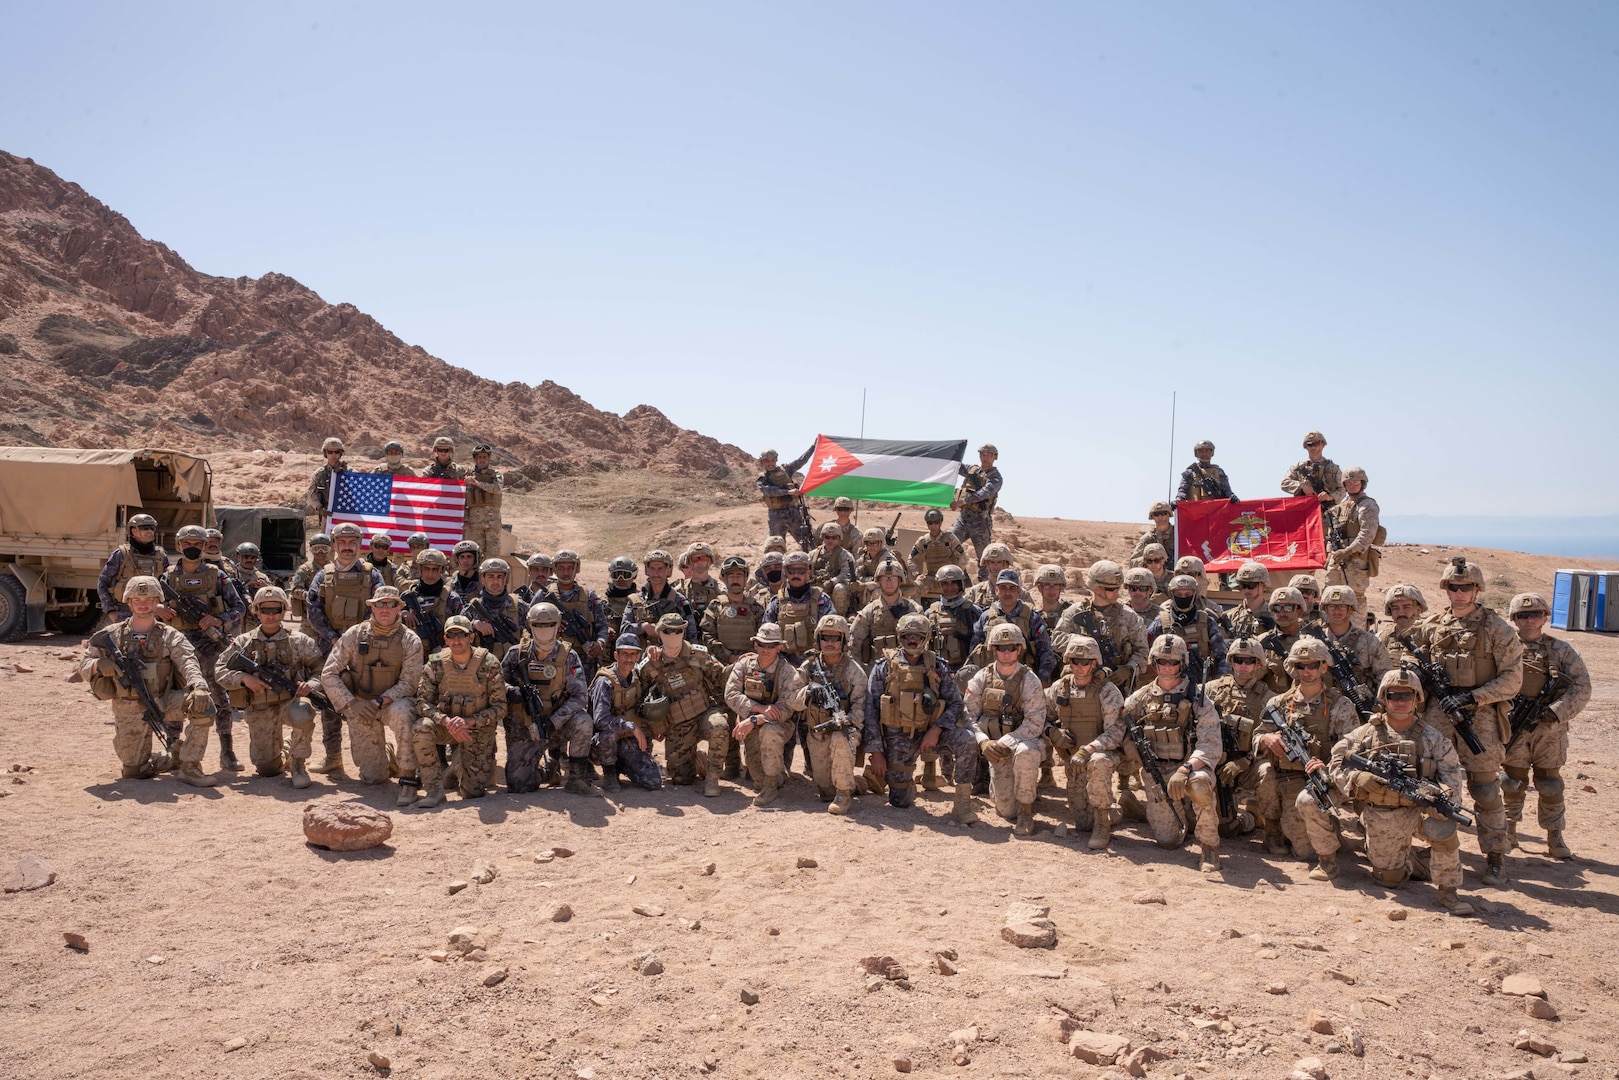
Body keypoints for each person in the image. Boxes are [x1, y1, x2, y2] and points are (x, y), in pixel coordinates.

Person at [1405, 557, 1523, 886]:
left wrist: (1473, 698)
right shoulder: (1431, 625)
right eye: (1453, 587)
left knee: (1485, 789)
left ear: (1477, 589)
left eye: (1466, 587)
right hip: (1438, 715)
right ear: (1446, 589)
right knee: (1429, 783)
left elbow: (1512, 679)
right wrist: (1419, 677)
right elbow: (1411, 658)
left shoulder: (1497, 628)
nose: (1459, 593)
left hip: (1480, 717)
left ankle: (1496, 856)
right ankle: (1437, 848)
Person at [1323, 670, 1474, 914]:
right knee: (1389, 879)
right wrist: (1356, 777)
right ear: (1384, 698)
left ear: (1417, 699)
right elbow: (1336, 763)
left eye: (1407, 695)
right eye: (1393, 695)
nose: (1400, 701)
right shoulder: (1365, 734)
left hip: (1420, 810)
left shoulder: (1432, 737)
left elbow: (1452, 776)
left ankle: (1448, 890)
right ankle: (1410, 858)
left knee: (1443, 825)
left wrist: (1443, 795)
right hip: (1384, 811)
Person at [80, 576, 216, 786]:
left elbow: (188, 662)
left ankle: (190, 767)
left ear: (157, 602)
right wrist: (99, 665)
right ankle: (171, 757)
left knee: (203, 705)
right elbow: (83, 665)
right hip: (128, 706)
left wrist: (198, 686)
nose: (142, 604)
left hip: (163, 700)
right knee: (134, 770)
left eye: (148, 600)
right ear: (129, 602)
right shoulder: (111, 635)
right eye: (137, 600)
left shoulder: (170, 635)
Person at [1109, 634, 1224, 874]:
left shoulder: (1198, 698)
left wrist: (1186, 769)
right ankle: (1179, 815)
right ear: (1153, 662)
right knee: (1168, 841)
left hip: (1189, 770)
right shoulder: (1141, 697)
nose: (1167, 667)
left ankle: (1209, 847)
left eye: (1173, 662)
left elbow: (1211, 745)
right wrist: (1130, 746)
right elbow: (1119, 727)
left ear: (1182, 663)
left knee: (1201, 785)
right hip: (1156, 772)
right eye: (1162, 661)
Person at [864, 613, 981, 823]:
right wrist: (876, 752)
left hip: (930, 735)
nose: (912, 640)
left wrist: (936, 731)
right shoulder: (884, 667)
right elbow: (871, 711)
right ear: (900, 637)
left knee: (967, 740)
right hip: (897, 739)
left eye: (917, 636)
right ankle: (890, 778)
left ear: (926, 638)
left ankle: (962, 804)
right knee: (900, 801)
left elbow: (955, 704)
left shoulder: (938, 666)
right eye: (907, 636)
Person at [1252, 638, 1359, 866]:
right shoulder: (1279, 702)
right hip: (1286, 776)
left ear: (1323, 666)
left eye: (1312, 665)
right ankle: (1272, 828)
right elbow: (1258, 735)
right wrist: (1266, 739)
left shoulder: (1341, 705)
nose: (1307, 671)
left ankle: (1327, 828)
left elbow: (1352, 751)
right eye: (1301, 665)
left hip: (1322, 779)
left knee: (1305, 853)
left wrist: (1326, 767)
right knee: (1264, 772)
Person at [1500, 592, 1592, 859]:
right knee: (1511, 782)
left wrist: (1556, 711)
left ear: (1545, 617)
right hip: (1515, 725)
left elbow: (1581, 686)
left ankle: (1555, 836)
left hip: (1550, 730)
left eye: (1535, 614)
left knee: (1550, 784)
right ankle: (1510, 831)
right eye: (1523, 615)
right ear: (1514, 619)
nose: (1529, 620)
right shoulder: (1504, 648)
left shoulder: (1561, 650)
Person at [214, 586, 325, 790]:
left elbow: (321, 669)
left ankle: (298, 764)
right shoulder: (244, 642)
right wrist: (243, 678)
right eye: (265, 610)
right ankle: (284, 751)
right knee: (267, 769)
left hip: (289, 702)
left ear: (284, 611)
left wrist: (311, 685)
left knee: (302, 710)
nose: (271, 615)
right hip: (259, 708)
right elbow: (219, 670)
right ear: (256, 611)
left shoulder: (298, 641)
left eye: (276, 610)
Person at [319, 585, 425, 798]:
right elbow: (328, 673)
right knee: (373, 778)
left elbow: (409, 683)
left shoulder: (410, 640)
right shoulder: (354, 635)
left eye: (391, 604)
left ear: (399, 608)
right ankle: (386, 755)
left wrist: (380, 701)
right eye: (380, 604)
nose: (385, 609)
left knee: (405, 712)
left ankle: (407, 775)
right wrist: (351, 703)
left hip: (391, 703)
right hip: (361, 706)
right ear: (372, 608)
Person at [160, 525, 246, 772]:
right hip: (177, 646)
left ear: (205, 545)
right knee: (176, 695)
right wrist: (158, 610)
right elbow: (148, 605)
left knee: (220, 697)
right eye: (187, 543)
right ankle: (173, 747)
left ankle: (227, 750)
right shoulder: (166, 578)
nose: (192, 547)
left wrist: (218, 620)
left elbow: (238, 607)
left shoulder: (217, 575)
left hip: (211, 646)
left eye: (197, 543)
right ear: (178, 546)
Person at [305, 522, 385, 775]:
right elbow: (313, 610)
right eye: (343, 542)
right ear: (335, 545)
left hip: (365, 648)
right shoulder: (323, 575)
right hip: (331, 648)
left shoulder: (372, 575)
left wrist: (354, 637)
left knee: (365, 700)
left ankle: (370, 759)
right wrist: (332, 637)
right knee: (331, 702)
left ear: (359, 544)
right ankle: (333, 757)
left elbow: (379, 608)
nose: (347, 547)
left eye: (352, 542)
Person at [502, 602, 598, 797]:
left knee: (583, 722)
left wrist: (553, 723)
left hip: (556, 726)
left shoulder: (568, 656)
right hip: (525, 728)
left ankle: (577, 779)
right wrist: (511, 691)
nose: (544, 630)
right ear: (530, 624)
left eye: (549, 624)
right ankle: (548, 772)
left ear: (558, 624)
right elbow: (495, 683)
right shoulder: (516, 654)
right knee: (518, 784)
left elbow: (580, 696)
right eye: (538, 625)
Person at [410, 614, 504, 807]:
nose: (456, 640)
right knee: (421, 728)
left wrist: (469, 722)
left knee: (472, 793)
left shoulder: (489, 663)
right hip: (447, 727)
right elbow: (422, 702)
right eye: (451, 635)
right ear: (445, 639)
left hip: (476, 729)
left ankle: (458, 767)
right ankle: (434, 790)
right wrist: (446, 721)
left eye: (461, 635)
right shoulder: (435, 664)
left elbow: (500, 708)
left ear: (471, 637)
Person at [966, 623, 1048, 836]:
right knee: (1005, 810)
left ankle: (1026, 811)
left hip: (1022, 743)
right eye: (1000, 647)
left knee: (1026, 753)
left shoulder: (1030, 680)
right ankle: (1016, 794)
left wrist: (1006, 742)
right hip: (995, 751)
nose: (1006, 652)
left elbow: (1035, 723)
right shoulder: (981, 678)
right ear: (993, 649)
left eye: (1011, 647)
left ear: (1019, 649)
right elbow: (967, 716)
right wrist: (983, 741)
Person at [637, 611, 731, 794]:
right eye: (667, 631)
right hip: (677, 724)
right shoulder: (650, 665)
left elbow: (722, 677)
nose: (673, 636)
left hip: (704, 713)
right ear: (658, 632)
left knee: (719, 726)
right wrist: (655, 726)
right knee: (681, 779)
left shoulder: (699, 655)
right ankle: (699, 760)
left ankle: (712, 779)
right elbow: (641, 699)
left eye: (678, 631)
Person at [1048, 636, 1126, 848]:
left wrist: (1090, 748)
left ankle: (1103, 823)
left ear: (1094, 663)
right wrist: (1053, 732)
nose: (1080, 666)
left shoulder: (1107, 691)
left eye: (1085, 662)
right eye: (1075, 661)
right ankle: (1121, 808)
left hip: (1103, 755)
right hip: (1073, 760)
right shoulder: (1059, 688)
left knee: (1098, 761)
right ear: (1068, 662)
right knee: (1082, 823)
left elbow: (1117, 732)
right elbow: (1039, 717)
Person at [726, 623, 808, 807]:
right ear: (755, 645)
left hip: (778, 725)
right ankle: (775, 776)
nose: (766, 649)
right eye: (762, 644)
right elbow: (730, 695)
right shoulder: (743, 665)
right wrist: (758, 709)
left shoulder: (787, 672)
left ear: (779, 647)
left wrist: (755, 719)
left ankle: (771, 785)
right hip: (751, 723)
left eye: (771, 645)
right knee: (756, 779)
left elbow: (785, 708)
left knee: (769, 732)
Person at [798, 614, 867, 813]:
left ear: (844, 641)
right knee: (825, 790)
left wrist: (847, 721)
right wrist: (808, 692)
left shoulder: (853, 670)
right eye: (825, 637)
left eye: (835, 638)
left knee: (841, 739)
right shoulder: (809, 666)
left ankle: (844, 793)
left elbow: (860, 705)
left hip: (844, 729)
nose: (829, 642)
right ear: (818, 639)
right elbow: (791, 696)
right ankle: (856, 783)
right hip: (817, 730)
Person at [1203, 636, 1271, 838]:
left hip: (1248, 765)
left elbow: (1270, 737)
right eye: (1238, 660)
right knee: (1224, 828)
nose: (1243, 665)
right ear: (1231, 661)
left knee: (1268, 772)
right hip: (1216, 762)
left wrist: (1245, 760)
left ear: (1258, 664)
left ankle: (1260, 819)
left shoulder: (1268, 698)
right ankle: (1240, 816)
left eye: (1249, 661)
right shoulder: (1210, 690)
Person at [1054, 561, 1150, 696]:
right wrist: (1085, 643)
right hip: (1080, 684)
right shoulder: (1075, 612)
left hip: (1116, 686)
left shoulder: (1128, 616)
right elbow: (1057, 640)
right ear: (1097, 588)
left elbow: (1142, 651)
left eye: (1118, 588)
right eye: (1111, 589)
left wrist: (1128, 669)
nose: (1117, 592)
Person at [589, 634, 663, 792]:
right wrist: (631, 727)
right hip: (600, 744)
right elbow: (600, 720)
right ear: (616, 655)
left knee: (654, 782)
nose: (628, 659)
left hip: (626, 742)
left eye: (633, 654)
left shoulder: (635, 678)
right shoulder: (605, 681)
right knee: (607, 734)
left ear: (638, 656)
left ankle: (622, 764)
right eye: (624, 654)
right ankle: (609, 772)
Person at [967, 569, 1056, 683]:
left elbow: (1046, 654)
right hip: (991, 683)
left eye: (1012, 588)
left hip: (1024, 682)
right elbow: (974, 652)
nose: (1007, 593)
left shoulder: (1032, 618)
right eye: (1003, 588)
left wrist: (1040, 682)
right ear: (997, 590)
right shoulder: (986, 617)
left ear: (1019, 591)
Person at [1146, 574, 1229, 680]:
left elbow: (1222, 656)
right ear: (1172, 595)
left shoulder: (1206, 622)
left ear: (1194, 594)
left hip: (1201, 684)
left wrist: (1220, 681)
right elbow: (1145, 651)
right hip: (1169, 684)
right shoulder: (1162, 622)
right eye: (1179, 594)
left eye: (1187, 594)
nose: (1183, 598)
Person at [1317, 584, 1392, 699]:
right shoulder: (1314, 640)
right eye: (1332, 606)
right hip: (1323, 704)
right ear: (1325, 609)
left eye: (1342, 606)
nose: (1337, 611)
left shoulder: (1369, 641)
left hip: (1359, 703)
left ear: (1351, 609)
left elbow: (1385, 676)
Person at [547, 550, 611, 678]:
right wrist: (551, 624)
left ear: (577, 568)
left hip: (584, 661)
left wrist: (600, 643)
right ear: (554, 569)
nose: (566, 573)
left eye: (570, 568)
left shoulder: (589, 595)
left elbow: (602, 625)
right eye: (561, 568)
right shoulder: (545, 595)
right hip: (552, 660)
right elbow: (529, 623)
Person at [762, 551, 834, 663]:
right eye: (791, 570)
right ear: (785, 572)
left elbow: (832, 634)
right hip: (783, 662)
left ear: (809, 572)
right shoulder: (777, 602)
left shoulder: (822, 600)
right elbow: (765, 636)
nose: (796, 575)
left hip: (816, 662)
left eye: (801, 570)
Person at [1326, 466, 1382, 607]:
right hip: (1337, 559)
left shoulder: (1367, 505)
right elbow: (1332, 533)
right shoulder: (1341, 506)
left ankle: (1358, 629)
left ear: (1362, 484)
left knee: (1355, 600)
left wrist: (1348, 551)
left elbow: (1367, 534)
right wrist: (1330, 554)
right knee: (1331, 597)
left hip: (1355, 561)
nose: (1352, 486)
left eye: (1355, 483)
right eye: (1349, 483)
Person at [850, 559, 922, 668]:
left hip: (908, 670)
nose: (889, 582)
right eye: (885, 579)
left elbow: (924, 643)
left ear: (900, 580)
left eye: (893, 578)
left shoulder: (914, 609)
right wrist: (862, 672)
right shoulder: (869, 612)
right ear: (879, 581)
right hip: (877, 670)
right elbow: (854, 644)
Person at [97, 513, 169, 621]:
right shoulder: (121, 554)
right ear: (133, 531)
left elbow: (169, 585)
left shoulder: (161, 556)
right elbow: (102, 583)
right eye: (145, 528)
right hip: (124, 612)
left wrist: (163, 607)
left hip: (154, 614)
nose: (149, 531)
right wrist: (111, 611)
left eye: (152, 528)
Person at [700, 556, 764, 665]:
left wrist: (746, 658)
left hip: (750, 664)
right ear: (724, 579)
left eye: (739, 575)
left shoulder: (756, 608)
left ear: (746, 578)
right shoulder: (716, 606)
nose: (735, 580)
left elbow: (762, 638)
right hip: (721, 666)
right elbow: (706, 636)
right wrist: (728, 657)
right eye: (731, 576)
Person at [624, 549, 697, 647]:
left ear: (669, 570)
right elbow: (624, 629)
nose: (656, 574)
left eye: (660, 569)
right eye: (652, 568)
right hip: (641, 659)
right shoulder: (635, 600)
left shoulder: (680, 601)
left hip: (673, 658)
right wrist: (643, 627)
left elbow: (691, 634)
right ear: (647, 570)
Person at [950, 443, 1002, 578]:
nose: (985, 458)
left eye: (988, 455)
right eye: (982, 454)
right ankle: (961, 577)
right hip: (963, 519)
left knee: (984, 559)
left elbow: (984, 493)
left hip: (981, 522)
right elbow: (955, 466)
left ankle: (984, 589)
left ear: (995, 457)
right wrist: (952, 452)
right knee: (947, 545)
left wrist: (962, 502)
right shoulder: (972, 470)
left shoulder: (995, 478)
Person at [399, 549, 462, 655]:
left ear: (441, 570)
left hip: (444, 653)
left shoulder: (451, 598)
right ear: (420, 569)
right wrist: (402, 614)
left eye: (434, 569)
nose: (430, 574)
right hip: (410, 655)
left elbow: (462, 628)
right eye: (426, 569)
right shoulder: (408, 597)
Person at [464, 558, 528, 661]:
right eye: (490, 576)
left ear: (505, 579)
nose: (495, 581)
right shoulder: (474, 607)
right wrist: (474, 624)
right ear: (483, 579)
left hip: (513, 665)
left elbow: (534, 629)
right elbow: (455, 629)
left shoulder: (519, 606)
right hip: (481, 666)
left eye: (499, 577)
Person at [755, 447, 815, 550]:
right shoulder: (762, 479)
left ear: (776, 460)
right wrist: (787, 491)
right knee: (775, 546)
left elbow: (801, 461)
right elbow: (768, 491)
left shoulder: (786, 470)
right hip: (776, 516)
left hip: (793, 512)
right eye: (767, 461)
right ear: (762, 462)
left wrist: (813, 447)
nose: (770, 463)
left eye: (772, 460)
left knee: (807, 542)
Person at [910, 508, 967, 607]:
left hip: (949, 579)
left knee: (962, 594)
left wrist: (956, 574)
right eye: (930, 523)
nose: (933, 525)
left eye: (936, 522)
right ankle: (917, 614)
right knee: (914, 589)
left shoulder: (949, 538)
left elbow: (962, 557)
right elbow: (911, 559)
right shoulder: (924, 541)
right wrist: (917, 574)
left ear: (940, 523)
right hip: (931, 579)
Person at [1256, 586, 1309, 693]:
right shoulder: (1262, 641)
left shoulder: (1310, 641)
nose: (1282, 613)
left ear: (1299, 611)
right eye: (1277, 609)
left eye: (1288, 608)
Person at [1280, 431, 1344, 511]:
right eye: (1310, 444)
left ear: (1323, 444)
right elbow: (1284, 483)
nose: (1313, 447)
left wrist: (1330, 496)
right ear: (1305, 447)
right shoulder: (1298, 468)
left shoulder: (1333, 468)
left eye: (1316, 443)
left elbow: (1343, 489)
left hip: (1328, 511)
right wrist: (1302, 486)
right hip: (1306, 512)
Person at [303, 437, 347, 549]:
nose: (333, 455)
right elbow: (311, 492)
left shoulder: (349, 471)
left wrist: (345, 474)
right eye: (330, 452)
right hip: (327, 514)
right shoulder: (319, 474)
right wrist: (320, 508)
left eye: (337, 452)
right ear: (325, 453)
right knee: (327, 546)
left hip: (346, 513)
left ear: (341, 453)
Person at [465, 443, 505, 558]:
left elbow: (497, 489)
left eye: (484, 457)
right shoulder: (467, 475)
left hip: (492, 521)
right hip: (474, 522)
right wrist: (466, 519)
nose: (482, 460)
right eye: (479, 457)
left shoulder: (496, 474)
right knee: (476, 555)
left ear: (488, 459)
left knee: (493, 554)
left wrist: (477, 483)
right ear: (475, 459)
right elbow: (463, 499)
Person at [810, 522, 858, 616]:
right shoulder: (813, 554)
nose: (830, 540)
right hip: (816, 587)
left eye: (834, 537)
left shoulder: (845, 555)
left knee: (840, 588)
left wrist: (832, 582)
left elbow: (846, 574)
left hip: (834, 589)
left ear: (839, 538)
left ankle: (839, 616)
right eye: (827, 537)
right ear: (822, 537)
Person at [1378, 583, 1429, 667]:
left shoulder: (1428, 635)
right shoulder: (1383, 637)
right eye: (1395, 608)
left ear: (1418, 609)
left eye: (1406, 607)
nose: (1401, 612)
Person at [288, 532, 331, 622]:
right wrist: (310, 595)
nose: (320, 552)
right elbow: (295, 591)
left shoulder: (334, 568)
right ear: (311, 550)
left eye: (324, 548)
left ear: (329, 549)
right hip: (310, 616)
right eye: (316, 549)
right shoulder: (304, 569)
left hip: (331, 616)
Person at [1226, 561, 1275, 638]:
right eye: (1243, 585)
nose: (1246, 590)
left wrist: (1275, 628)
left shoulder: (1275, 616)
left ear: (1263, 586)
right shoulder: (1230, 616)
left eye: (1251, 585)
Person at [965, 543, 1019, 608]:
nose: (995, 566)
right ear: (987, 565)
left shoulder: (1020, 593)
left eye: (999, 562)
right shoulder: (976, 592)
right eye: (992, 562)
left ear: (1006, 564)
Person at [677, 542, 722, 613]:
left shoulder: (720, 589)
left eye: (704, 558)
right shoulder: (681, 591)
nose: (700, 562)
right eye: (695, 559)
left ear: (710, 561)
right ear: (689, 562)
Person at [1129, 503, 1175, 569]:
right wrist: (1151, 560)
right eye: (1156, 514)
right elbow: (1133, 562)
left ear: (1169, 514)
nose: (1160, 517)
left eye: (1163, 513)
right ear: (1152, 516)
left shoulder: (1179, 536)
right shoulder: (1147, 539)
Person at [603, 556, 639, 638]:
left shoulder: (640, 600)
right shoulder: (603, 602)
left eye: (625, 575)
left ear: (634, 576)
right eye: (616, 575)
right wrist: (604, 630)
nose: (620, 579)